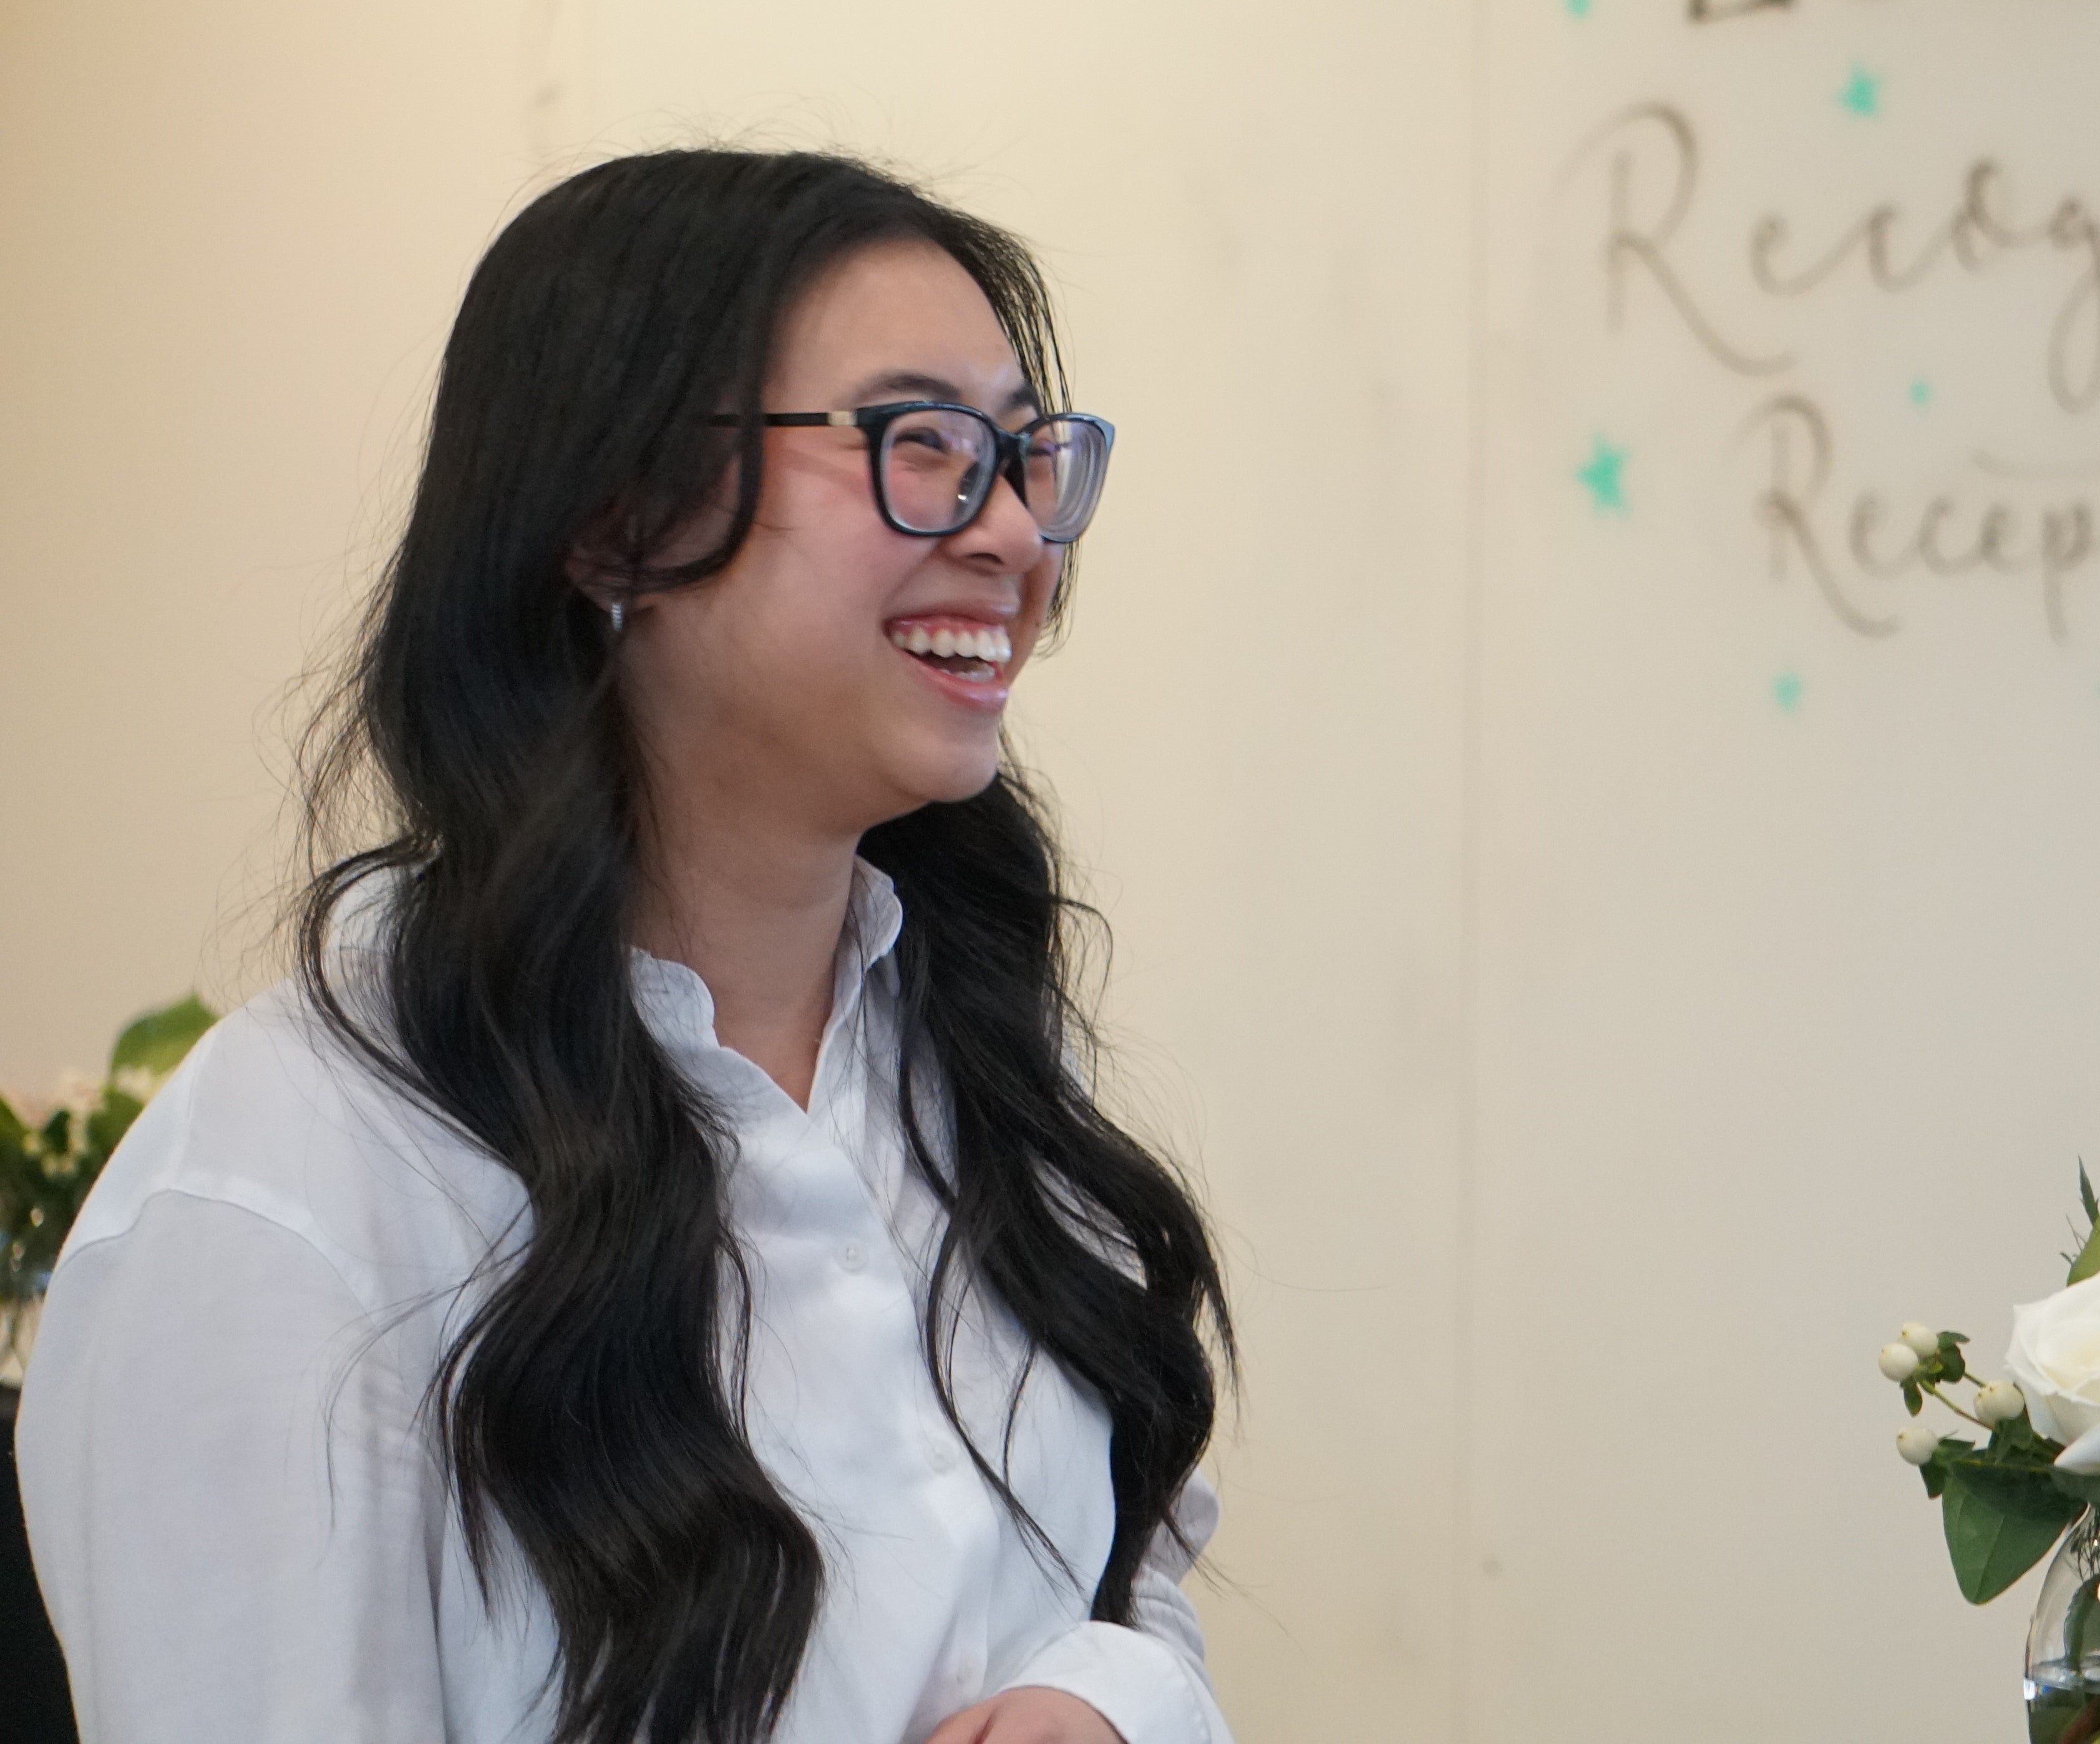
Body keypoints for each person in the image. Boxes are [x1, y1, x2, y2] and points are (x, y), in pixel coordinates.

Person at [20, 152, 1233, 1744]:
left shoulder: (979, 1049)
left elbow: (1126, 1570)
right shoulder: (284, 1210)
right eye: (921, 446)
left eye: (1025, 458)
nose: (1014, 534)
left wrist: (1111, 1697)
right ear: (608, 528)